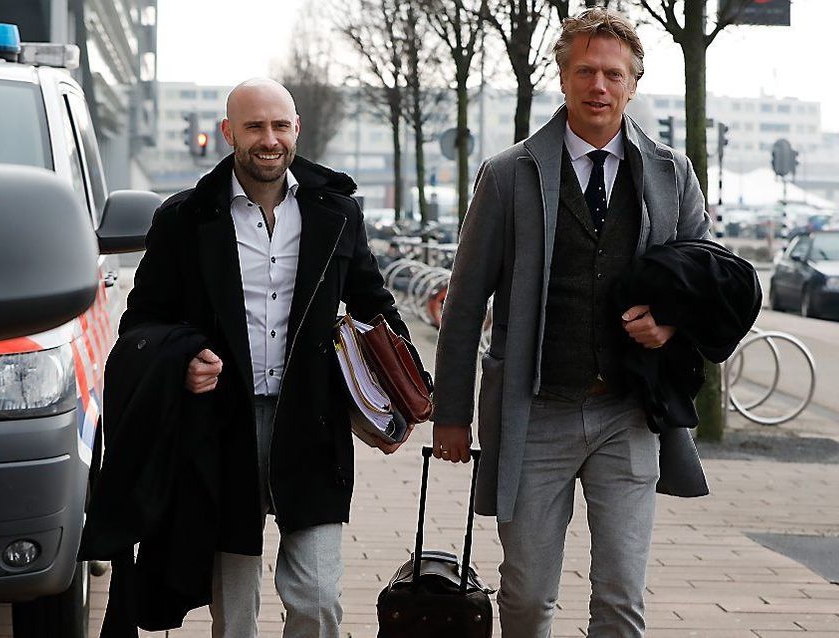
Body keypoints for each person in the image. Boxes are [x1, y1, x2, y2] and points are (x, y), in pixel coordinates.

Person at [431, 8, 710, 637]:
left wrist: (670, 328)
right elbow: (466, 300)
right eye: (585, 70)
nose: (599, 86)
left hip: (628, 413)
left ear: (633, 84)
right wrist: (450, 412)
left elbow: (704, 281)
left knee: (621, 597)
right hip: (536, 413)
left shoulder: (672, 173)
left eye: (613, 73)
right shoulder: (508, 175)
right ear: (563, 78)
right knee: (527, 596)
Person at [119, 78, 420, 638]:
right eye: (255, 126)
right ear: (229, 132)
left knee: (318, 596)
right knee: (234, 608)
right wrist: (182, 358)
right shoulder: (184, 219)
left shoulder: (337, 214)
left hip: (312, 421)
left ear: (296, 131)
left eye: (280, 126)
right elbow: (142, 322)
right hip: (219, 429)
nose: (269, 139)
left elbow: (376, 305)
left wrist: (405, 390)